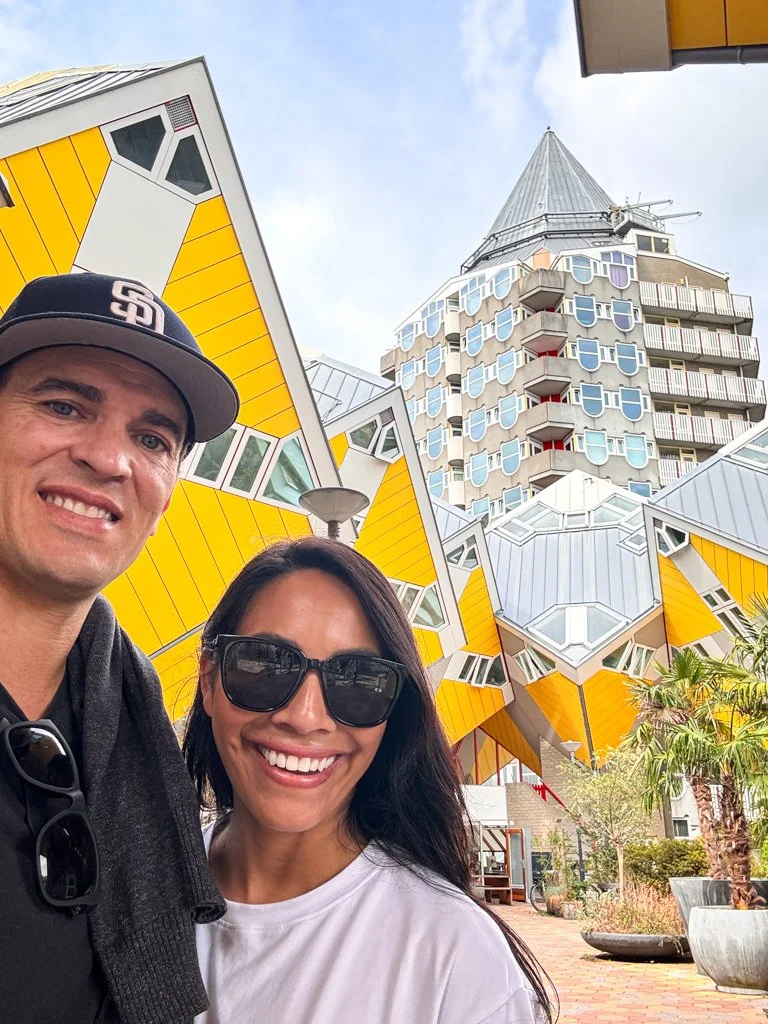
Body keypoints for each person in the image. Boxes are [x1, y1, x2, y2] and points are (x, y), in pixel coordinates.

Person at [184, 537, 554, 1024]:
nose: (305, 716)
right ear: (209, 679)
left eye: (358, 680)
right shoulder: (133, 896)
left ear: (393, 715)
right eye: (266, 664)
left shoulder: (452, 955)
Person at [0, 273, 239, 1024]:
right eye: (64, 404)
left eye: (152, 438)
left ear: (166, 494)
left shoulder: (134, 730)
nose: (110, 459)